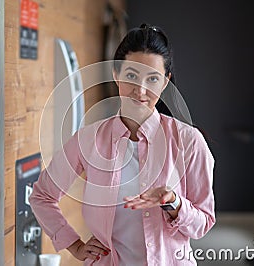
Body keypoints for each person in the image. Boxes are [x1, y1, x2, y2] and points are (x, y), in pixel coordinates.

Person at [29, 24, 215, 265]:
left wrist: (173, 202)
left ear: (165, 82)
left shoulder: (189, 141)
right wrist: (73, 244)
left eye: (153, 79)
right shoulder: (89, 139)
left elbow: (203, 224)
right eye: (131, 76)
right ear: (115, 74)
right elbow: (42, 196)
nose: (140, 90)